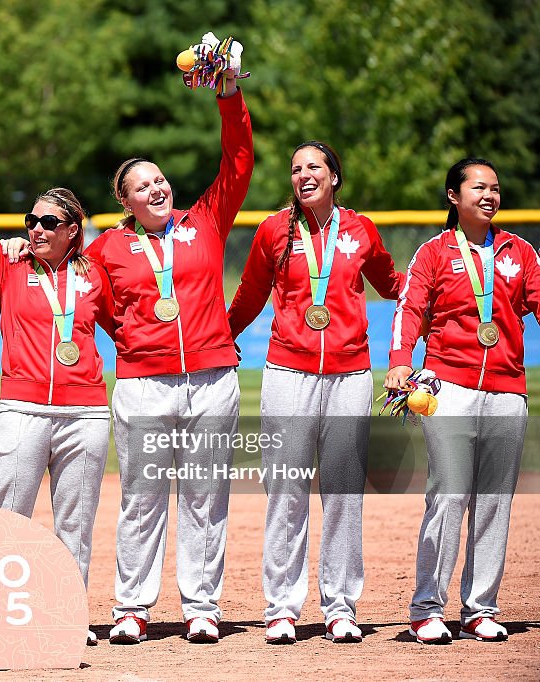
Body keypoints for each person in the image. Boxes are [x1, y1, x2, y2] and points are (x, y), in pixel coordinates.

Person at [83, 62, 253, 644]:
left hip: (210, 378)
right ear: (126, 201)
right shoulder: (107, 246)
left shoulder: (203, 222)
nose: (157, 188)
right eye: (142, 185)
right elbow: (99, 308)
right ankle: (132, 606)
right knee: (143, 497)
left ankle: (201, 606)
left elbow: (237, 164)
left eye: (160, 180)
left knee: (207, 496)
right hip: (144, 382)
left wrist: (228, 96)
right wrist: (133, 342)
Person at [0, 150, 111, 646]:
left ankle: (67, 615)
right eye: (31, 220)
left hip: (86, 411)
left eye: (48, 222)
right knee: (8, 517)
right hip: (22, 409)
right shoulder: (9, 266)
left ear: (73, 229)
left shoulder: (96, 276)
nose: (36, 229)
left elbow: (128, 327)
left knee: (75, 522)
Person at [227, 142, 405, 644]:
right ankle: (281, 607)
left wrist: (439, 296)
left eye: (313, 167)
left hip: (350, 375)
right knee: (285, 490)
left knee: (344, 493)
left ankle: (340, 606)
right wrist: (221, 336)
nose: (303, 175)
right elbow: (249, 295)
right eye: (295, 168)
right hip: (288, 372)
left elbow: (394, 285)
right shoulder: (272, 231)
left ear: (334, 177)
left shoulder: (360, 230)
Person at [386, 158, 540, 644]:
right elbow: (409, 307)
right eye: (479, 187)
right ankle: (427, 607)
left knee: (495, 501)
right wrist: (398, 359)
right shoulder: (433, 252)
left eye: (496, 187)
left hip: (508, 390)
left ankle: (479, 609)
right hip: (447, 387)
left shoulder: (521, 252)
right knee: (450, 494)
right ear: (454, 196)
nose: (490, 195)